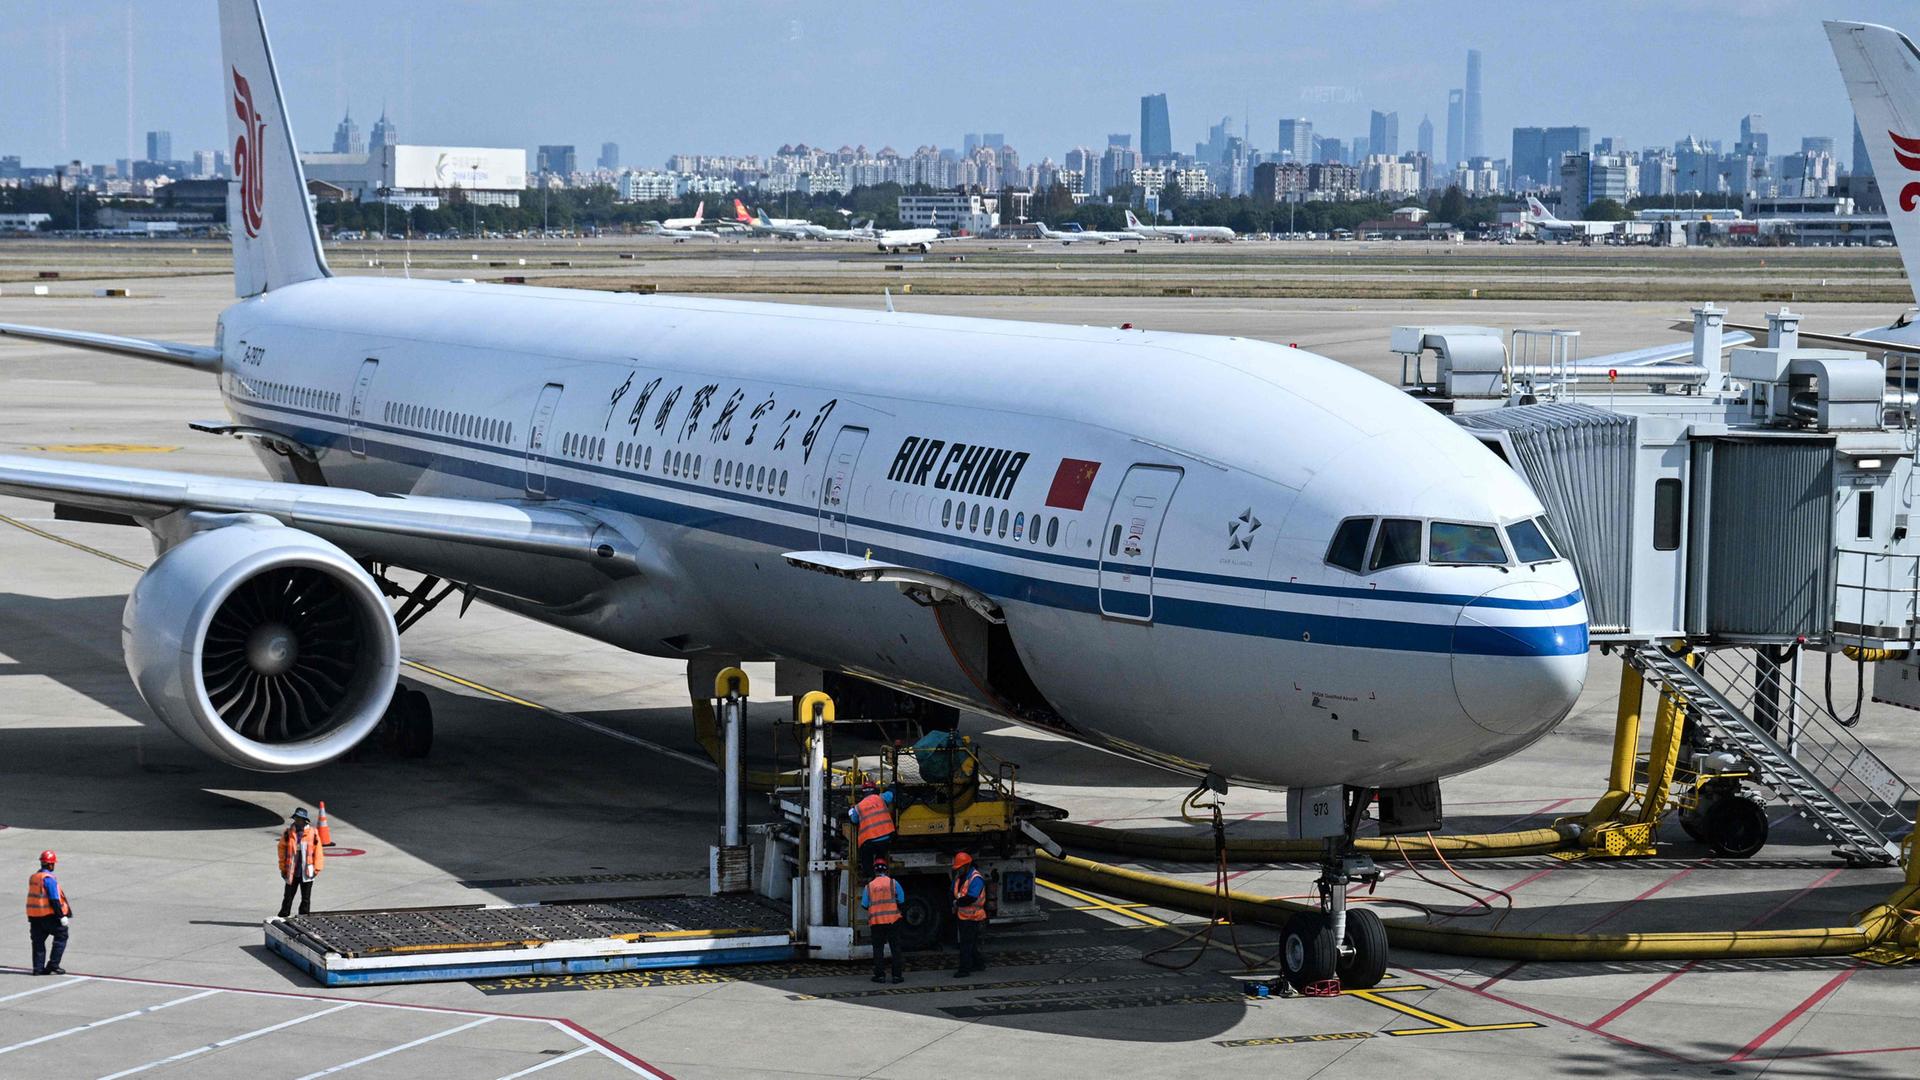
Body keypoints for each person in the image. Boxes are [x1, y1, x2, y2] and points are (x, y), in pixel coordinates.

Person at [861, 858, 906, 984]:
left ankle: (880, 976)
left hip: (876, 923)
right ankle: (897, 976)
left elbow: (864, 904)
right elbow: (902, 900)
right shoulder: (893, 883)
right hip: (893, 921)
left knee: (878, 949)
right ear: (886, 870)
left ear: (874, 871)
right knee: (895, 949)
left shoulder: (869, 886)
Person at [27, 850, 71, 976]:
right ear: (51, 865)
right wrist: (61, 916)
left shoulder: (34, 877)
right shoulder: (49, 879)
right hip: (49, 916)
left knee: (38, 942)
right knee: (62, 935)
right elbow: (54, 899)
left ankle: (38, 968)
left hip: (34, 916)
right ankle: (53, 964)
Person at [277, 807, 325, 918]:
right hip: (292, 871)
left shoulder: (313, 833)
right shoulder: (288, 833)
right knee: (288, 896)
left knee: (306, 898)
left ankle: (303, 916)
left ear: (305, 820)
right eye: (296, 818)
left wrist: (317, 868)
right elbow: (281, 851)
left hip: (307, 871)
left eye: (300, 818)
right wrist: (282, 867)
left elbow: (318, 852)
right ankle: (283, 915)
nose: (297, 820)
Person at [951, 851, 988, 978]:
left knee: (966, 944)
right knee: (969, 943)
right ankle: (978, 964)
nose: (958, 870)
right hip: (963, 915)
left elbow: (971, 897)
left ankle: (964, 969)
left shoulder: (976, 878)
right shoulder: (961, 877)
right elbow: (954, 891)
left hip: (973, 916)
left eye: (959, 868)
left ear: (966, 866)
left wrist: (957, 902)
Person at [848, 783, 895, 873]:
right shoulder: (881, 798)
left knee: (866, 856)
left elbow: (854, 820)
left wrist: (850, 810)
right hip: (887, 838)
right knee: (881, 852)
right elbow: (891, 794)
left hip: (869, 842)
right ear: (874, 790)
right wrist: (892, 786)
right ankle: (881, 865)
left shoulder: (859, 807)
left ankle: (868, 874)